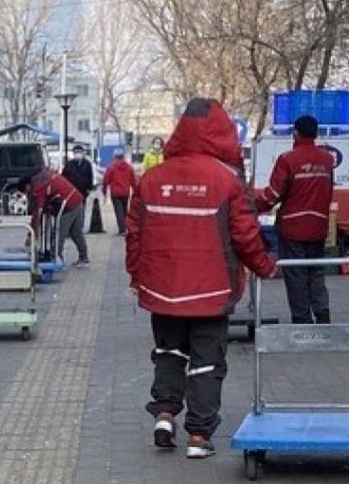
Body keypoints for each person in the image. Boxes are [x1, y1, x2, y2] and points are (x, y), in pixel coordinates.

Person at [126, 98, 276, 459]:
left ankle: (164, 414)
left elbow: (135, 234)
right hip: (212, 290)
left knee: (168, 352)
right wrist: (265, 267)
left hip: (162, 289)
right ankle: (198, 435)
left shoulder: (151, 178)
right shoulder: (226, 181)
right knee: (207, 361)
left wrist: (138, 277)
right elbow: (245, 235)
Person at [255, 114, 335, 324]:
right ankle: (323, 312)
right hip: (318, 226)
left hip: (292, 227)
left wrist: (254, 207)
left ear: (296, 133)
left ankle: (302, 319)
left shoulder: (288, 159)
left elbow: (273, 194)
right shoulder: (327, 160)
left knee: (296, 274)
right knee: (316, 271)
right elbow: (328, 193)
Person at [17, 167, 89, 267]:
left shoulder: (38, 187)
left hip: (68, 205)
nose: (27, 194)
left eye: (25, 192)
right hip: (77, 200)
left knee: (58, 234)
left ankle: (56, 259)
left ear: (27, 186)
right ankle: (84, 258)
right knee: (76, 232)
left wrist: (32, 234)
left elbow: (38, 211)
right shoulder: (43, 177)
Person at [62, 144, 103, 234]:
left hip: (82, 192)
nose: (77, 154)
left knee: (81, 210)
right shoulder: (69, 164)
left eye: (79, 152)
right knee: (71, 209)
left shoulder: (87, 164)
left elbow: (90, 177)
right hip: (71, 192)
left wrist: (89, 188)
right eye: (76, 152)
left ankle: (79, 227)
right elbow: (63, 177)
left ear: (83, 153)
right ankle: (71, 228)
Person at [102, 149, 136, 235]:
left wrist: (104, 191)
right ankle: (126, 227)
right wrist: (136, 191)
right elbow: (133, 180)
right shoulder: (129, 167)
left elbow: (106, 180)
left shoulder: (111, 167)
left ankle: (122, 230)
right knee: (125, 211)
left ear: (114, 157)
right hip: (126, 192)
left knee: (119, 211)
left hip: (115, 193)